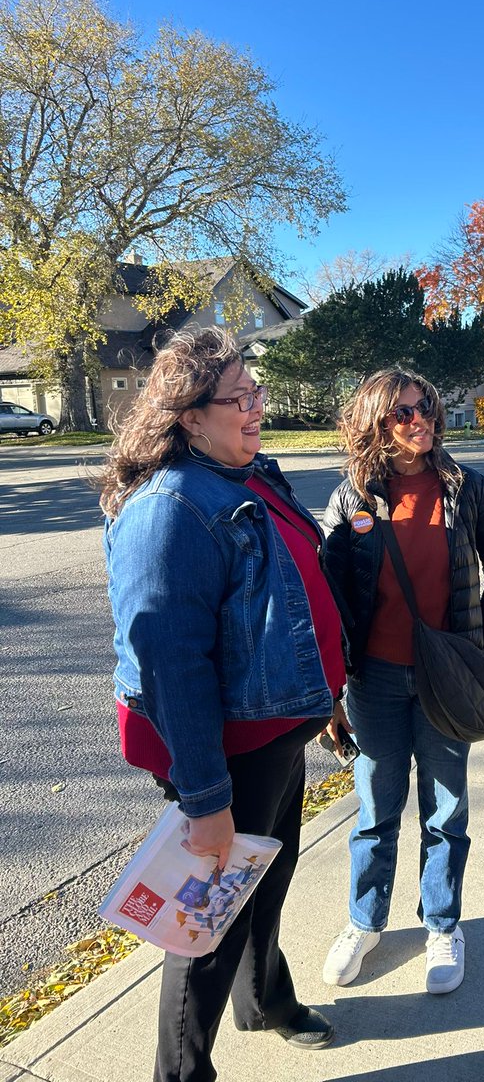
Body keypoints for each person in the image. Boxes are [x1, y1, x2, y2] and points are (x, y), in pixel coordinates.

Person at [100, 327, 346, 1082]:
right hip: (226, 753)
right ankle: (181, 1074)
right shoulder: (169, 508)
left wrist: (326, 699)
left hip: (278, 731)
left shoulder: (245, 475)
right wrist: (206, 798)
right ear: (187, 414)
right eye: (238, 398)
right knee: (203, 922)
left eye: (256, 392)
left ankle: (265, 1000)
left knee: (264, 881)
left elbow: (289, 611)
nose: (256, 408)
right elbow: (170, 666)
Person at [319, 366, 484, 995]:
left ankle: (442, 924)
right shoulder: (353, 499)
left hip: (445, 675)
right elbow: (328, 597)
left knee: (445, 809)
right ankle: (364, 922)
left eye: (425, 407)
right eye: (402, 413)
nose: (420, 421)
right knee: (376, 810)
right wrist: (331, 688)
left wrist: (482, 639)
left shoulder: (468, 488)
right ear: (375, 423)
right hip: (373, 680)